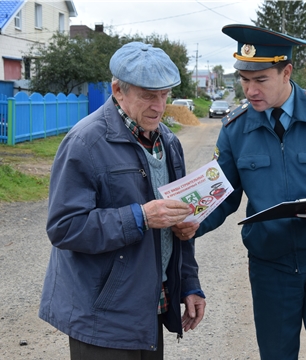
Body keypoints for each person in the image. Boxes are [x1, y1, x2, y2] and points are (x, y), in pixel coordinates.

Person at [174, 25, 306, 359]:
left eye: (260, 80)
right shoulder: (236, 129)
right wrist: (195, 221)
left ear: (286, 72)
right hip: (270, 268)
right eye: (244, 79)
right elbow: (223, 195)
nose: (249, 90)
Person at [39, 42, 206, 360]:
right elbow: (64, 227)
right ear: (118, 90)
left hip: (150, 306)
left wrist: (189, 284)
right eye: (148, 95)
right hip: (101, 315)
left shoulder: (168, 142)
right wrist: (141, 217)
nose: (159, 106)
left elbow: (177, 220)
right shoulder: (84, 142)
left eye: (165, 94)